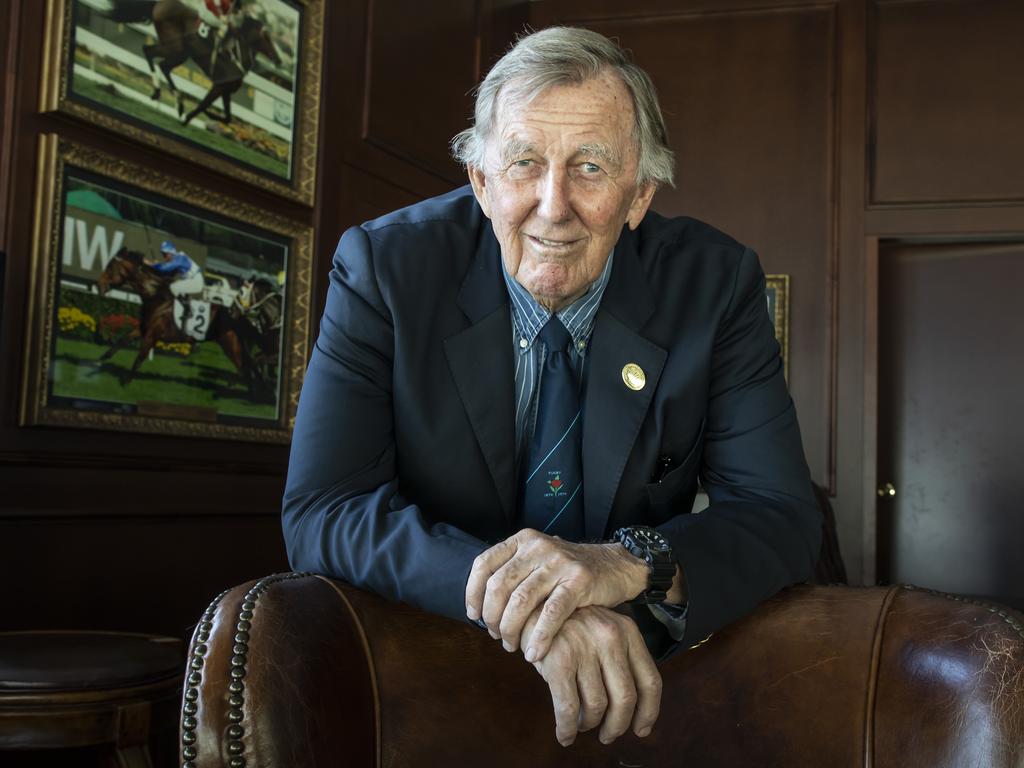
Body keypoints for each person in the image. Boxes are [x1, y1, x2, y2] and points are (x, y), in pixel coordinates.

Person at [283, 27, 820, 749]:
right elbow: (323, 508)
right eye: (524, 162)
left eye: (591, 167)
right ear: (481, 182)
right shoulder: (385, 268)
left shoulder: (715, 286)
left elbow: (780, 513)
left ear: (639, 195)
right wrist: (537, 603)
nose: (552, 203)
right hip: (430, 663)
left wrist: (622, 563)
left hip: (637, 685)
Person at [149, 240, 204, 315]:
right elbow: (167, 272)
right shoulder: (177, 258)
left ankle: (187, 309)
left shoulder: (179, 259)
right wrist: (157, 265)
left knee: (173, 287)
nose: (164, 257)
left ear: (171, 252)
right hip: (192, 280)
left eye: (165, 255)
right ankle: (185, 307)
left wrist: (153, 264)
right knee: (174, 285)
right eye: (163, 255)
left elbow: (165, 268)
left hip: (196, 282)